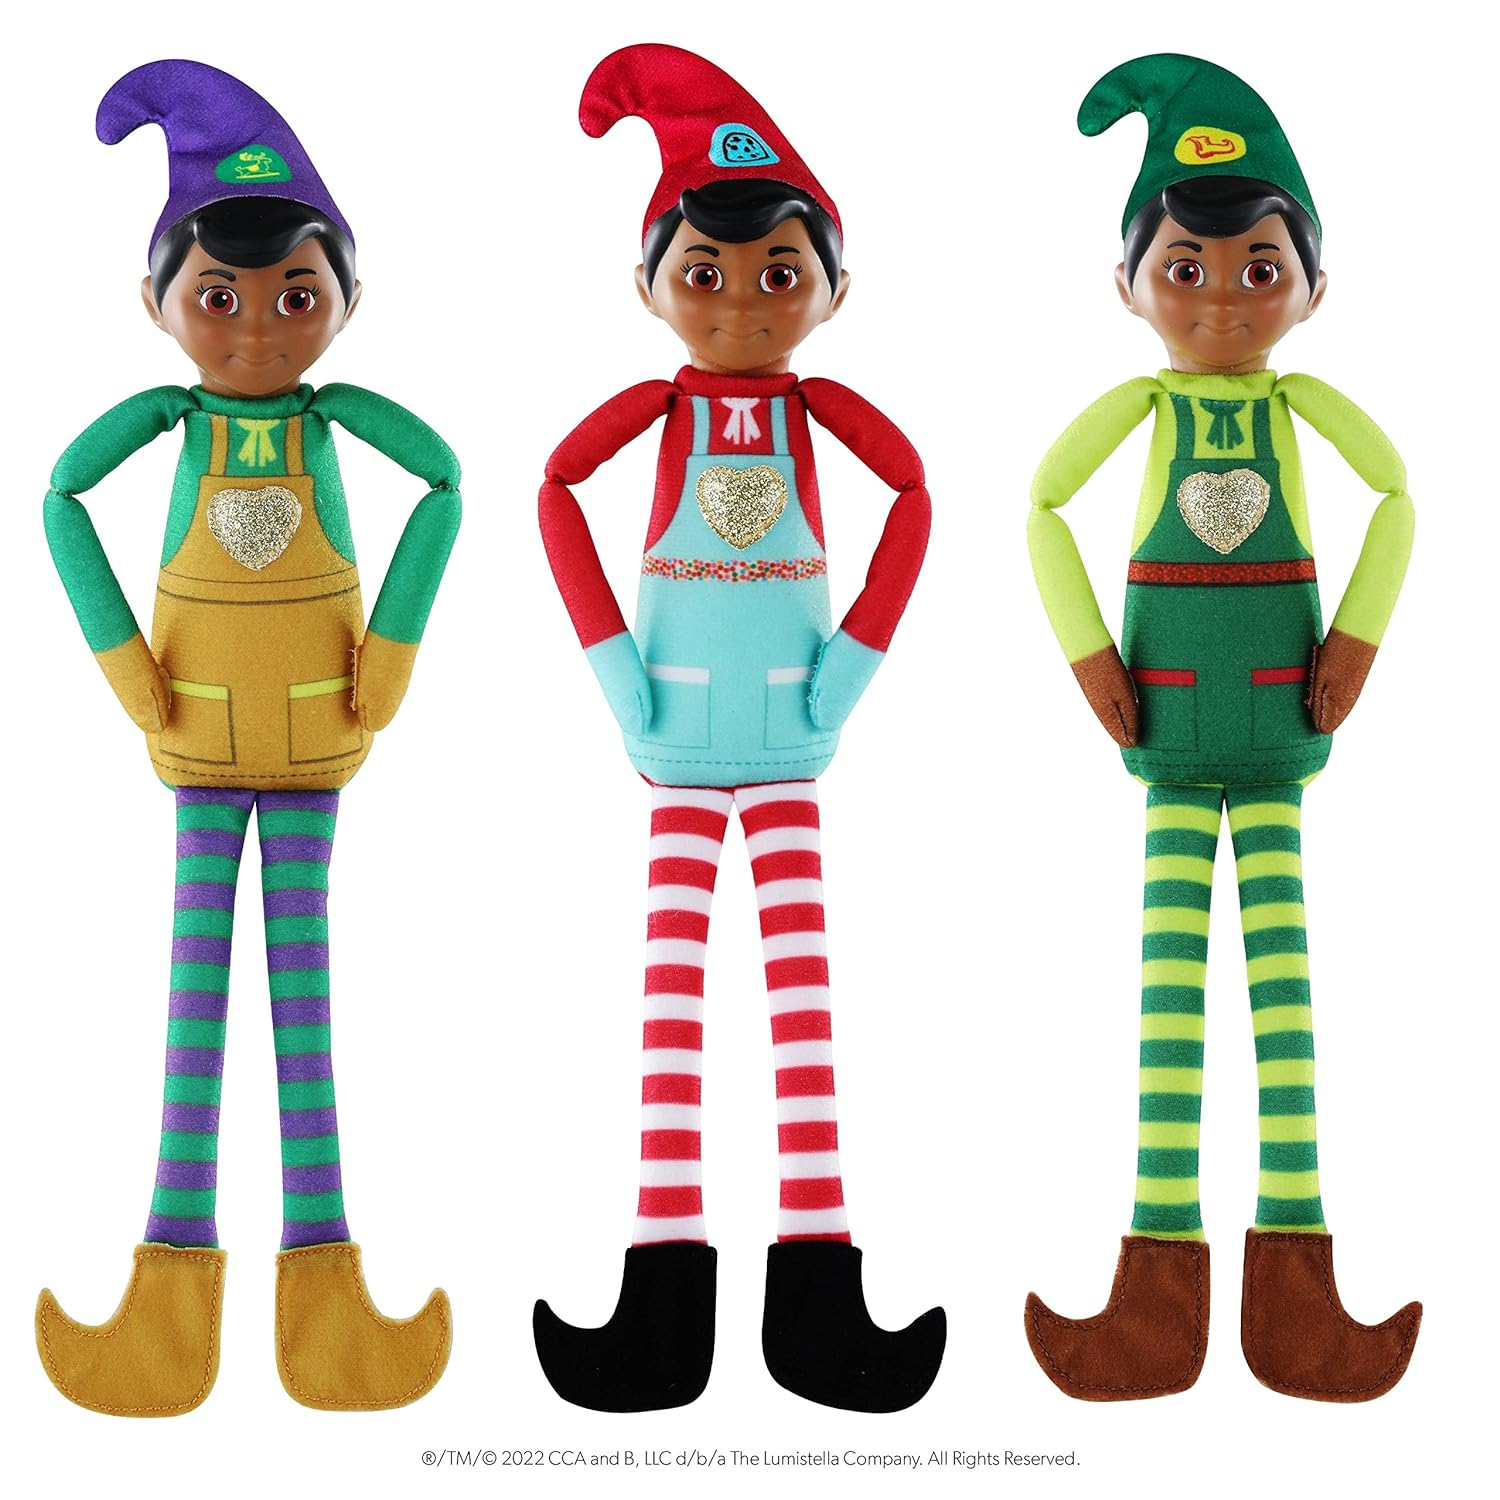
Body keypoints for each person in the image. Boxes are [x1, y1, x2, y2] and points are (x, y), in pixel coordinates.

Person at [36, 60, 460, 1414]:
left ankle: (326, 1295)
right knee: (197, 1013)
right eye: (219, 298)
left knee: (301, 1014)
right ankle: (166, 1294)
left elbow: (446, 484)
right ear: (156, 303)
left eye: (296, 294)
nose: (262, 326)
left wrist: (387, 663)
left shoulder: (337, 424)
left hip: (315, 740)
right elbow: (59, 499)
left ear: (345, 301)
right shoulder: (171, 423)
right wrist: (128, 674)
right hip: (201, 748)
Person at [534, 43, 943, 1413]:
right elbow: (553, 490)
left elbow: (915, 497)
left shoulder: (820, 414)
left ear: (833, 288)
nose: (742, 302)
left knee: (800, 1010)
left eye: (780, 272)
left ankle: (818, 1298)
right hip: (675, 743)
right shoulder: (658, 412)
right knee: (671, 1016)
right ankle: (661, 1303)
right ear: (648, 284)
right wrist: (618, 679)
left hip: (786, 748)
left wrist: (847, 677)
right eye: (704, 273)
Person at [1024, 53, 1420, 1402]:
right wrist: (1093, 663)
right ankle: (1154, 1291)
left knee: (1285, 1008)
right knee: (1171, 1015)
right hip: (1172, 739)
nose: (1221, 298)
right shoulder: (1140, 412)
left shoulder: (1302, 410)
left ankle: (1299, 1293)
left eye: (1261, 267)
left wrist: (1354, 642)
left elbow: (1397, 498)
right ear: (1128, 284)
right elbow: (1042, 509)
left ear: (1313, 287)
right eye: (1184, 267)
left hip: (1278, 726)